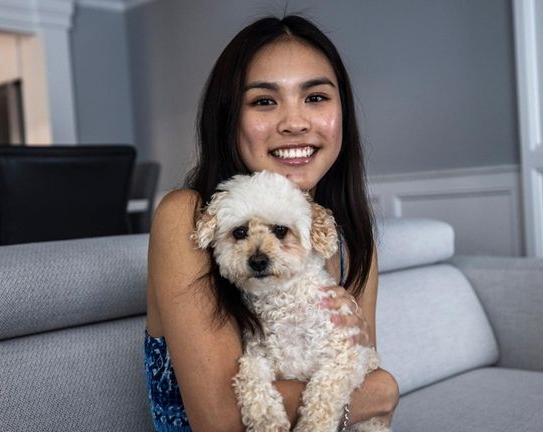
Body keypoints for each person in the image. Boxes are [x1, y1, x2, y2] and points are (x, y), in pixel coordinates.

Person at [145, 15, 400, 431]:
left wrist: (371, 390)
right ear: (229, 117)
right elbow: (222, 419)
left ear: (342, 113)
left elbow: (358, 366)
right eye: (264, 101)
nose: (295, 122)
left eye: (316, 97)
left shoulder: (348, 235)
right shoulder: (187, 216)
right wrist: (385, 390)